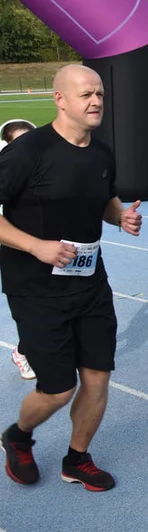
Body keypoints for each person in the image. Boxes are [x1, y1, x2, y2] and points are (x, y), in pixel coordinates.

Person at [0, 65, 143, 492]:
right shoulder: (28, 151)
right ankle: (18, 436)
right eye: (85, 95)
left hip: (89, 283)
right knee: (58, 389)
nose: (96, 101)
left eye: (99, 93)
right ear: (60, 100)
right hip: (36, 287)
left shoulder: (101, 152)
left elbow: (105, 201)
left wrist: (121, 217)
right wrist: (36, 246)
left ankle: (77, 459)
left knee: (98, 376)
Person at [0, 119, 36, 380]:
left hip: (39, 247)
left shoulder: (43, 168)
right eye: (18, 142)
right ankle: (23, 353)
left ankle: (27, 349)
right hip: (12, 248)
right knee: (28, 311)